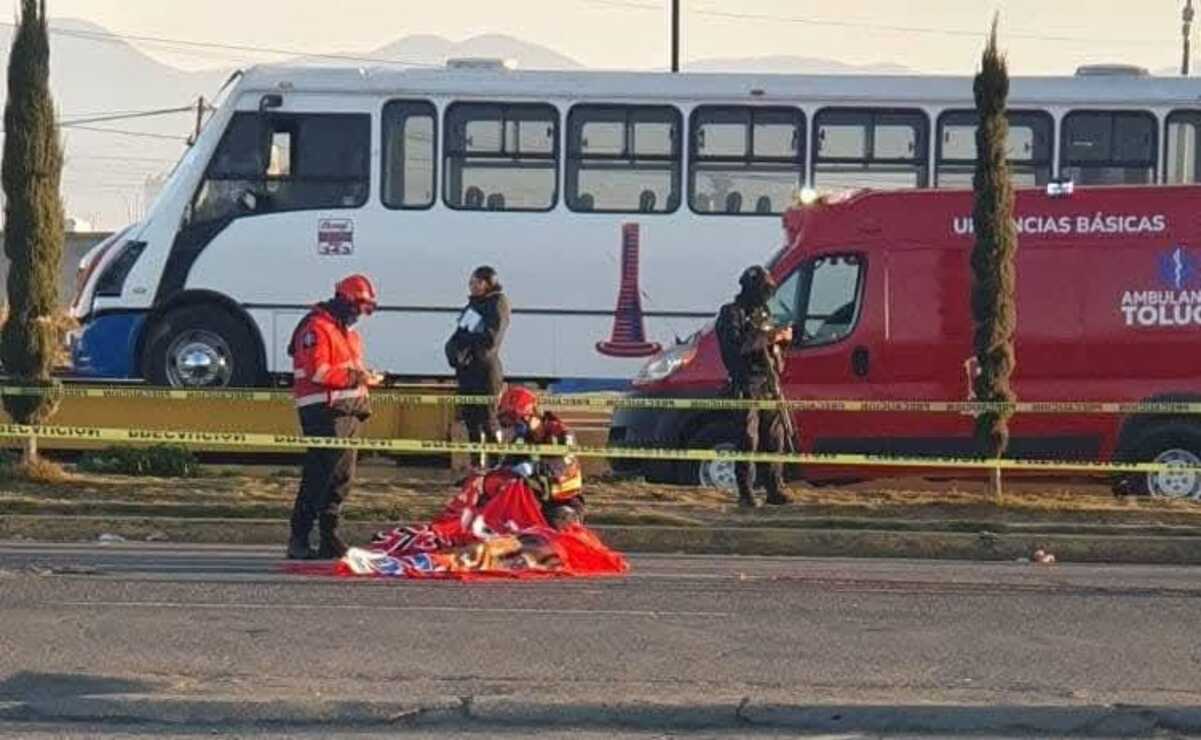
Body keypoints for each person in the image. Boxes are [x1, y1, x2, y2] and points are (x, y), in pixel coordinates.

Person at [286, 274, 383, 560]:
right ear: (344, 300)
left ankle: (329, 536)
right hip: (324, 412)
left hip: (349, 413)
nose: (359, 315)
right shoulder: (316, 328)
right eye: (358, 307)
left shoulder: (348, 334)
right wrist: (359, 377)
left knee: (341, 477)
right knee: (319, 476)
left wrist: (364, 380)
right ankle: (299, 537)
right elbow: (319, 373)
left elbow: (348, 372)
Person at [715, 266, 794, 508]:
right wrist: (771, 337)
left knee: (775, 438)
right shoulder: (731, 313)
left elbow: (772, 350)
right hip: (745, 383)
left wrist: (782, 342)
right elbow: (739, 347)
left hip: (768, 382)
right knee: (747, 439)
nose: (766, 295)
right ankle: (746, 491)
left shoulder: (763, 312)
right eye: (762, 289)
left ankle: (774, 488)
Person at [492, 385, 585, 529]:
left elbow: (564, 463)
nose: (516, 427)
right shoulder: (521, 440)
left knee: (559, 524)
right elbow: (508, 465)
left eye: (518, 421)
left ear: (533, 414)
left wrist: (534, 467)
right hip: (535, 500)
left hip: (564, 501)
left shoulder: (561, 433)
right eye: (512, 423)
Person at [445, 266, 511, 452]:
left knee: (488, 420)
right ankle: (477, 467)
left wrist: (469, 341)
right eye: (470, 283)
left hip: (485, 372)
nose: (471, 286)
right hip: (467, 372)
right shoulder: (473, 305)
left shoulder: (498, 303)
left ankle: (496, 463)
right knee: (471, 420)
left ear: (486, 283)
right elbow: (461, 333)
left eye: (475, 282)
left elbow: (492, 338)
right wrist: (452, 350)